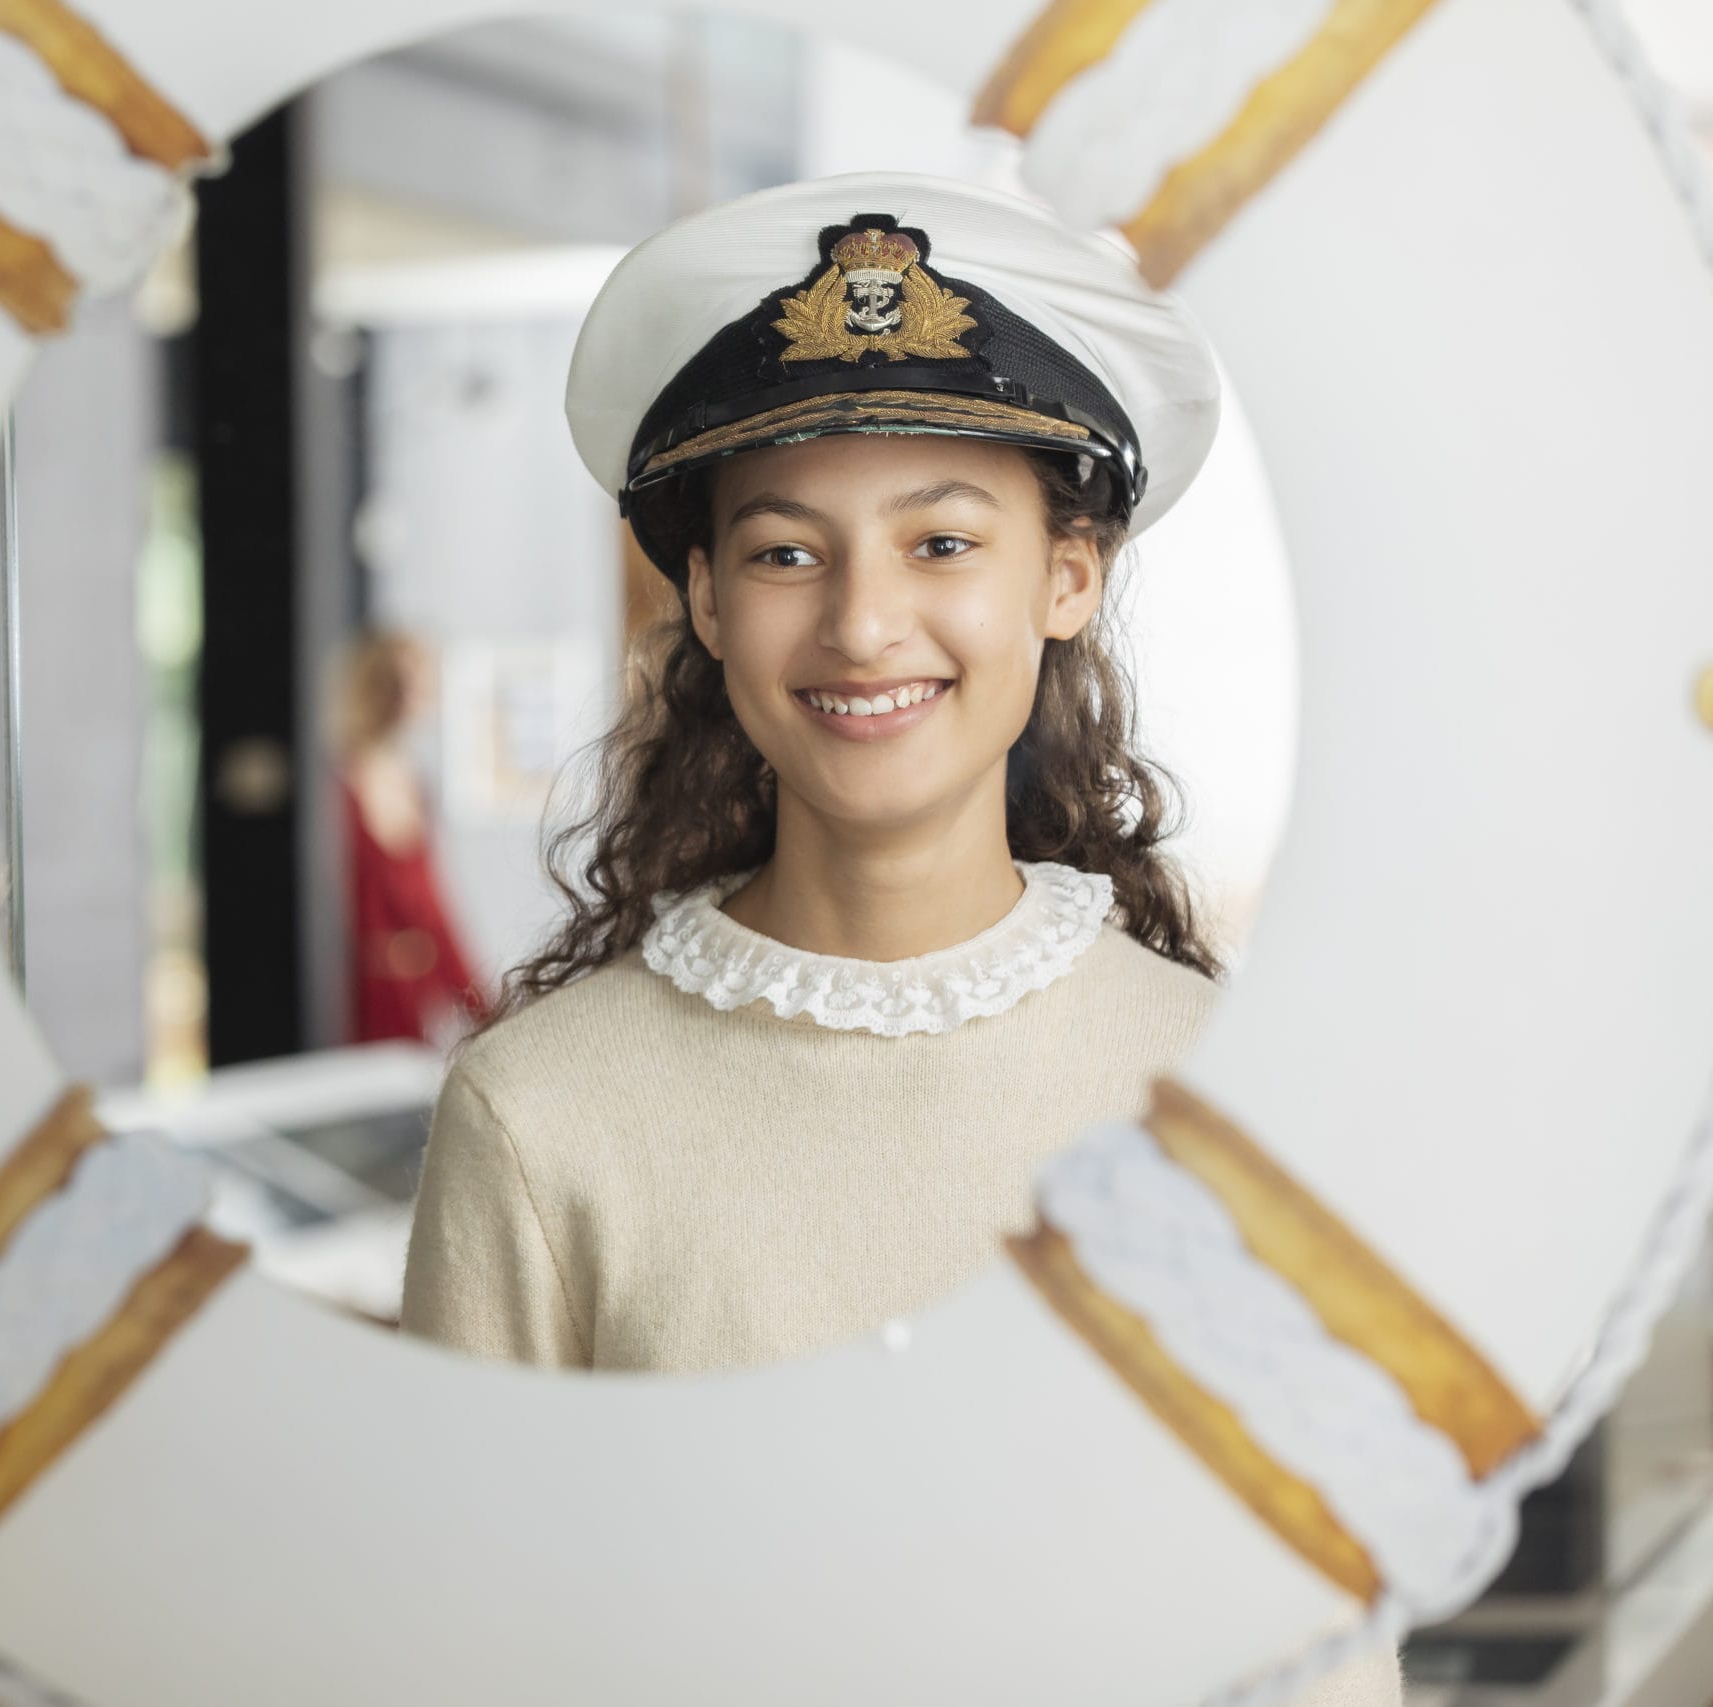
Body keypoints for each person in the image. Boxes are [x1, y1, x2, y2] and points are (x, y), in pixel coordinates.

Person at [397, 173, 1399, 1703]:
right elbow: (451, 1648)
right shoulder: (539, 1118)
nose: (863, 625)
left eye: (942, 543)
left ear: (1068, 578)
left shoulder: (1224, 1107)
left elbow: (1321, 1657)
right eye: (788, 552)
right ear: (709, 602)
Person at [336, 628, 487, 1043]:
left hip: (413, 997)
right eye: (410, 682)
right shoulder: (341, 786)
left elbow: (430, 905)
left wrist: (477, 1002)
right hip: (356, 995)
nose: (423, 695)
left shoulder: (411, 781)